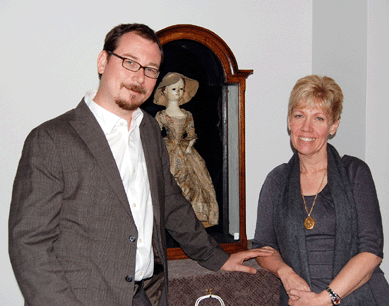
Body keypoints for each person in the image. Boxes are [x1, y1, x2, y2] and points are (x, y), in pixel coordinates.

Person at [8, 23, 273, 306]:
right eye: (129, 62)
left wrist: (216, 257)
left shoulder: (148, 130)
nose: (139, 78)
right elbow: (29, 244)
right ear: (102, 61)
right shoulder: (52, 139)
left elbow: (170, 201)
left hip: (145, 296)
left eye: (150, 69)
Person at [253, 75, 389, 305]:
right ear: (289, 121)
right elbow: (264, 247)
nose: (307, 127)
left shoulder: (355, 172)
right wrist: (286, 274)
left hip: (358, 296)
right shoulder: (276, 180)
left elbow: (371, 251)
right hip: (299, 299)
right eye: (299, 116)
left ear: (333, 125)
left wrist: (324, 299)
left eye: (318, 118)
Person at [154, 72, 219, 228]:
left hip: (186, 152)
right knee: (168, 183)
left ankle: (193, 219)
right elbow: (155, 136)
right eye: (174, 89)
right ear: (164, 91)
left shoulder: (187, 115)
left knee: (195, 184)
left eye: (180, 89)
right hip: (168, 150)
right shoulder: (161, 116)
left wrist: (189, 146)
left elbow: (191, 134)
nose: (178, 92)